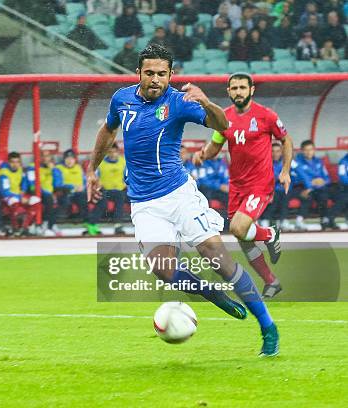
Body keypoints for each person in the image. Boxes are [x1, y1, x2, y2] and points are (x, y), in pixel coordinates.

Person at [86, 44, 279, 356]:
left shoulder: (178, 102)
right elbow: (108, 131)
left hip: (180, 195)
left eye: (162, 74)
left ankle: (268, 327)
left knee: (217, 257)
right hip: (144, 203)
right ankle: (211, 293)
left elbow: (223, 125)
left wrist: (206, 102)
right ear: (138, 73)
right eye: (149, 73)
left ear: (171, 75)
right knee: (161, 269)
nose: (155, 79)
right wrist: (91, 170)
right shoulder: (121, 99)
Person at [194, 72, 294, 298]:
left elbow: (286, 140)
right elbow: (214, 146)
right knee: (242, 236)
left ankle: (269, 234)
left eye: (242, 87)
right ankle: (271, 281)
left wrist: (285, 171)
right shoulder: (224, 118)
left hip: (260, 184)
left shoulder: (266, 116)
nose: (238, 92)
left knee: (239, 228)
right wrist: (202, 154)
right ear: (228, 92)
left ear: (251, 90)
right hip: (237, 185)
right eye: (234, 88)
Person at [56, 149, 100, 235]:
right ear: (64, 159)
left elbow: (85, 181)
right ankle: (89, 224)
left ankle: (92, 222)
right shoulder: (58, 169)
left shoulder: (79, 168)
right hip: (66, 193)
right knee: (82, 198)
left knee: (99, 196)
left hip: (80, 193)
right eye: (67, 158)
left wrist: (85, 187)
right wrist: (73, 187)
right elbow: (57, 184)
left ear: (75, 160)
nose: (69, 161)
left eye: (71, 158)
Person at [293, 140, 333, 230]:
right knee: (308, 195)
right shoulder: (297, 162)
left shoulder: (319, 161)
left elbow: (327, 178)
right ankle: (299, 221)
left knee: (323, 195)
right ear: (302, 151)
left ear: (314, 150)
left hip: (319, 188)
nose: (308, 152)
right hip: (302, 187)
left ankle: (325, 220)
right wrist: (312, 182)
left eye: (311, 149)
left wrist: (323, 181)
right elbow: (295, 179)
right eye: (306, 150)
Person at [0, 152, 40, 236]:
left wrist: (23, 191)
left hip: (19, 195)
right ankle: (15, 228)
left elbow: (24, 183)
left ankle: (25, 227)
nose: (15, 164)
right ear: (9, 162)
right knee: (14, 201)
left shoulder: (21, 170)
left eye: (17, 162)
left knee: (36, 200)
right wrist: (20, 197)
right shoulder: (4, 173)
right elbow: (5, 191)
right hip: (7, 196)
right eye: (13, 162)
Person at [26, 150, 62, 236]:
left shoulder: (55, 168)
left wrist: (53, 169)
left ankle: (52, 224)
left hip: (51, 193)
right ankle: (46, 224)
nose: (45, 158)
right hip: (37, 192)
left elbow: (58, 183)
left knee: (64, 199)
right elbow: (31, 184)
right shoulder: (32, 167)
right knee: (49, 199)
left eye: (47, 156)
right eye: (43, 156)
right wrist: (43, 192)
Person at [95, 143, 127, 234]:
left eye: (115, 152)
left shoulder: (123, 162)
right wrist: (99, 184)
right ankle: (94, 224)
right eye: (110, 152)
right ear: (107, 153)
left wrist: (126, 183)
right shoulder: (101, 163)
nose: (113, 154)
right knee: (104, 199)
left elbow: (129, 175)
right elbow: (96, 177)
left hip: (120, 189)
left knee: (121, 196)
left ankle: (118, 225)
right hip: (105, 190)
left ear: (118, 152)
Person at [260, 143, 292, 231]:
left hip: (283, 188)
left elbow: (290, 177)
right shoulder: (264, 162)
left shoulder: (286, 163)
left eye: (278, 151)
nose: (275, 154)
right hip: (268, 189)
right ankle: (265, 220)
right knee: (274, 194)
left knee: (285, 193)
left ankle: (283, 221)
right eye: (272, 151)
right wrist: (278, 178)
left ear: (281, 152)